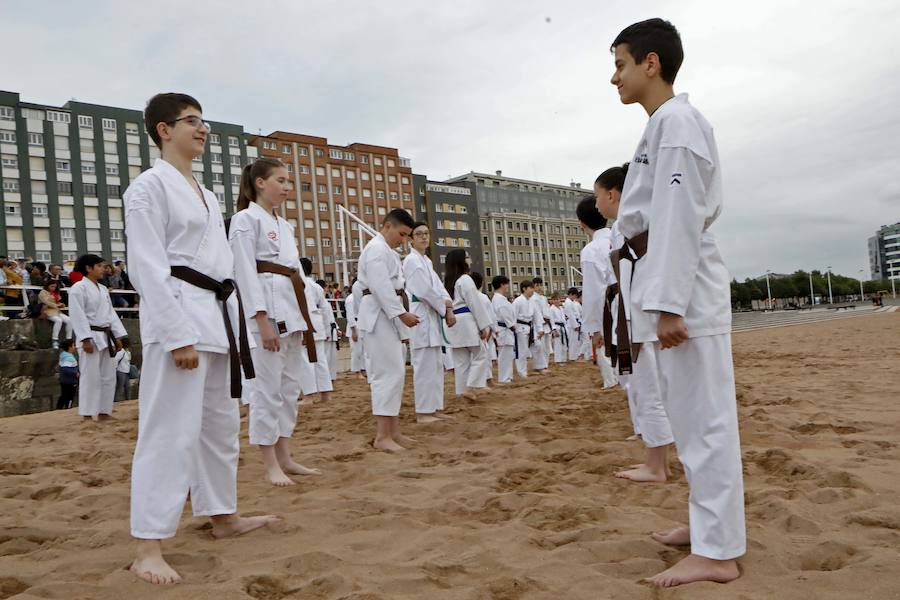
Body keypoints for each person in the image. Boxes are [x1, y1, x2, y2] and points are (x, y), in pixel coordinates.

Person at [608, 19, 745, 587]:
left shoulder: (679, 121)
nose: (613, 76)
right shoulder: (663, 126)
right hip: (662, 281)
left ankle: (718, 552)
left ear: (651, 63)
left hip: (682, 290)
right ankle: (707, 525)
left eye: (619, 64)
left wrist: (669, 303)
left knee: (706, 421)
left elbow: (680, 214)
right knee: (690, 420)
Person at [124, 93, 276, 585]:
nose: (202, 129)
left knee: (219, 425)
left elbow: (222, 267)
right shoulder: (148, 188)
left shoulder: (207, 195)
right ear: (163, 130)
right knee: (169, 431)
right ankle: (148, 544)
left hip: (217, 317)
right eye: (191, 121)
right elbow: (147, 267)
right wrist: (174, 334)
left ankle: (222, 515)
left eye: (203, 121)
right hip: (181, 319)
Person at [230, 156, 321, 487]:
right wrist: (261, 319)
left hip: (292, 310)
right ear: (260, 183)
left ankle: (285, 456)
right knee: (266, 391)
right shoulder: (244, 220)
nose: (286, 187)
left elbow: (291, 273)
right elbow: (244, 273)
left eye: (288, 182)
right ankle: (269, 463)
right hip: (266, 314)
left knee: (288, 388)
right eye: (280, 180)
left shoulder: (285, 225)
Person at [596, 163, 675, 481]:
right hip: (643, 306)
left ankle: (657, 465)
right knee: (652, 386)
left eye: (597, 195)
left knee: (647, 387)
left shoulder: (626, 224)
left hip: (639, 309)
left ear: (612, 194)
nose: (597, 203)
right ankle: (660, 461)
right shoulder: (637, 219)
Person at [357, 209, 421, 452]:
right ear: (387, 226)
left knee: (396, 373)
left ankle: (393, 431)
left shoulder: (387, 251)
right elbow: (380, 286)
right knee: (386, 375)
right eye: (401, 234)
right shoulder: (375, 250)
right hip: (378, 314)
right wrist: (401, 313)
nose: (403, 240)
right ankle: (382, 436)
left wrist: (399, 314)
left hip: (388, 313)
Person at [403, 222, 455, 423]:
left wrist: (447, 304)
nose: (424, 237)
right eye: (419, 234)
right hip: (421, 315)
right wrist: (445, 309)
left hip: (432, 315)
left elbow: (439, 287)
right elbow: (424, 291)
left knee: (435, 366)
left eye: (426, 233)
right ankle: (423, 412)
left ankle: (434, 408)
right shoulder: (411, 261)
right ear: (411, 239)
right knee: (424, 367)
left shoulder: (426, 261)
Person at [67, 254, 127, 421]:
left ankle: (103, 411)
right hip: (90, 335)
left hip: (106, 335)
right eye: (100, 266)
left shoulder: (102, 289)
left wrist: (117, 335)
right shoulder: (78, 288)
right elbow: (77, 314)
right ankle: (86, 413)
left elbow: (110, 314)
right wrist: (85, 338)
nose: (103, 269)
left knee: (108, 375)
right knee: (90, 375)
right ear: (89, 268)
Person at [576, 195, 618, 389]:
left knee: (607, 348)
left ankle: (611, 383)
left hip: (613, 304)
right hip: (639, 300)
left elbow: (594, 292)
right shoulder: (621, 236)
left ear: (582, 223)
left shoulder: (591, 250)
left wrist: (594, 329)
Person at [443, 250, 493, 401]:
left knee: (461, 361)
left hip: (453, 322)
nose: (470, 259)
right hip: (466, 320)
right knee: (481, 353)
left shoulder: (449, 281)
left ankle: (461, 391)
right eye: (467, 257)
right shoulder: (465, 279)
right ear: (461, 261)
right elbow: (474, 303)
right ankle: (470, 387)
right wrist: (482, 325)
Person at [297, 259, 335, 404]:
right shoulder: (316, 286)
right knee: (320, 359)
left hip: (303, 323)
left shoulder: (296, 284)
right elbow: (325, 309)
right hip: (317, 324)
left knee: (304, 360)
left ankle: (309, 395)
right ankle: (326, 394)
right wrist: (326, 329)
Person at [470, 271, 496, 387]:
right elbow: (491, 318)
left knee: (473, 358)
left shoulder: (465, 296)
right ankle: (486, 381)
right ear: (481, 284)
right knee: (484, 356)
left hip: (471, 331)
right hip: (484, 331)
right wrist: (492, 331)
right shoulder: (483, 297)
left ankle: (484, 380)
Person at [490, 275, 516, 384]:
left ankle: (507, 377)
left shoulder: (499, 298)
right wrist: (512, 326)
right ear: (502, 284)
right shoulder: (499, 299)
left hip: (505, 330)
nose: (507, 287)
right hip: (504, 329)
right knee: (504, 355)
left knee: (507, 355)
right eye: (506, 284)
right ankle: (504, 378)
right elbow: (505, 314)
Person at [512, 280, 537, 378]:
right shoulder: (518, 301)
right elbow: (513, 316)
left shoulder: (531, 301)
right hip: (520, 327)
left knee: (525, 350)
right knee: (521, 351)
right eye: (531, 288)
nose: (532, 290)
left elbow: (534, 315)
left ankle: (524, 370)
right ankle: (521, 372)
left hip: (528, 327)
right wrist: (515, 328)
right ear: (524, 289)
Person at [39, 280, 72, 348]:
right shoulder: (43, 292)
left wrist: (61, 304)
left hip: (56, 311)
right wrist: (57, 305)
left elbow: (57, 302)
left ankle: (69, 339)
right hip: (46, 311)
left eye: (55, 287)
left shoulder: (55, 293)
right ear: (47, 286)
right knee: (58, 320)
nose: (53, 288)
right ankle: (55, 340)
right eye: (52, 286)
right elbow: (46, 302)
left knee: (69, 320)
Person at [344, 278, 366, 379]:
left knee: (363, 350)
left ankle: (363, 369)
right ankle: (357, 371)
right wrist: (353, 331)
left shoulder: (361, 297)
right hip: (355, 325)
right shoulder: (350, 299)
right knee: (356, 350)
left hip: (362, 323)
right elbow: (350, 315)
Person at [529, 277, 551, 372]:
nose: (539, 287)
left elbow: (548, 312)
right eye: (537, 285)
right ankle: (539, 366)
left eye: (540, 285)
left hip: (546, 324)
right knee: (539, 347)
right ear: (533, 286)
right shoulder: (532, 298)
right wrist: (542, 319)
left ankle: (545, 364)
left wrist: (550, 322)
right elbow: (536, 312)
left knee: (546, 347)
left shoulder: (544, 298)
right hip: (538, 324)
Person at [57, 339, 79, 410]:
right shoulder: (68, 357)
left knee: (64, 395)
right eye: (73, 345)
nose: (75, 347)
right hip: (70, 381)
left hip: (64, 380)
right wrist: (76, 373)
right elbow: (65, 369)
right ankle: (68, 408)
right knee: (70, 396)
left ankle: (59, 408)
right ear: (70, 347)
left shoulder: (63, 355)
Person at [548, 294, 568, 363]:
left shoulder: (561, 308)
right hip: (557, 327)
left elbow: (564, 319)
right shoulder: (551, 309)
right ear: (552, 301)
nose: (556, 301)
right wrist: (554, 330)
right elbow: (552, 320)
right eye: (555, 299)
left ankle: (563, 359)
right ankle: (558, 360)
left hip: (563, 327)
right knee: (557, 344)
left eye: (558, 299)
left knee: (564, 343)